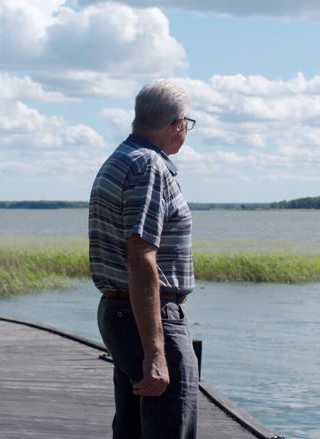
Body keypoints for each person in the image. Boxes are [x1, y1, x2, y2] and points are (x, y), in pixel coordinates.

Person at [89, 79, 198, 439]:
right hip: (151, 319)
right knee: (169, 429)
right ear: (177, 124)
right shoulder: (149, 166)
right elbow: (140, 257)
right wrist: (155, 353)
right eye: (188, 125)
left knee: (134, 429)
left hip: (124, 314)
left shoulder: (120, 159)